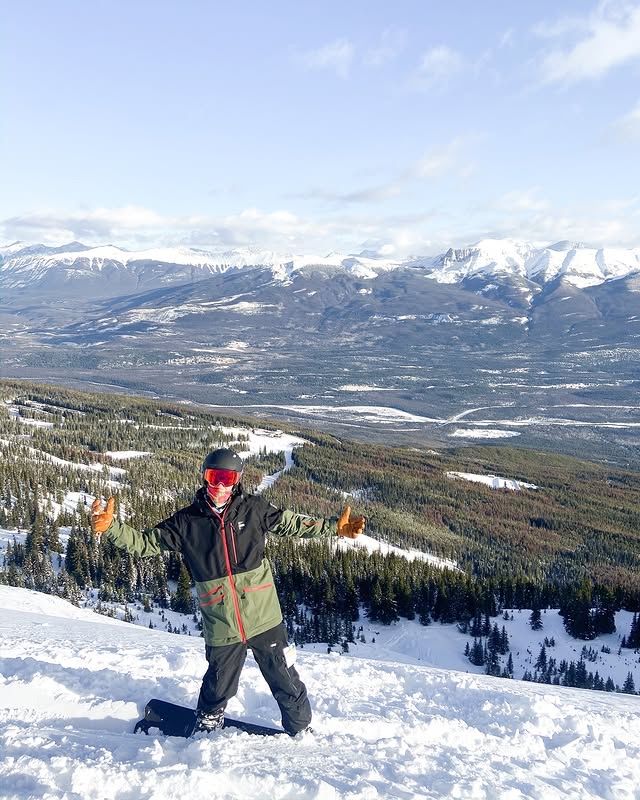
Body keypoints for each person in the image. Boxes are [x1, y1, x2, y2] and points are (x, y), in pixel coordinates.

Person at [90, 447, 365, 736]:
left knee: (284, 676)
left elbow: (292, 523)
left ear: (237, 480)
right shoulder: (187, 523)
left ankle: (300, 728)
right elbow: (144, 543)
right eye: (213, 477)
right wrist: (112, 528)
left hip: (264, 617)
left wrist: (334, 527)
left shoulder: (254, 509)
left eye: (227, 478)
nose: (220, 486)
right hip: (222, 622)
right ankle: (208, 724)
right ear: (204, 478)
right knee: (218, 682)